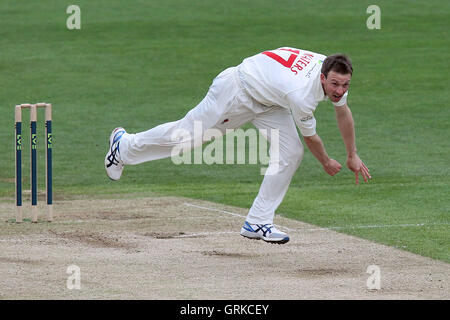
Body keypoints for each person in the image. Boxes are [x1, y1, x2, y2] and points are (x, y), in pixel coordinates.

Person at [105, 47, 371, 244]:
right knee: (186, 137)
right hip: (237, 91)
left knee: (290, 153)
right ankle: (124, 146)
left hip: (270, 101)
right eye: (334, 84)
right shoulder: (301, 94)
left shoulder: (331, 73)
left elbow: (343, 112)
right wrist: (326, 161)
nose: (339, 90)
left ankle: (258, 221)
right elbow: (312, 138)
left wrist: (352, 154)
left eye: (344, 85)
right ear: (323, 77)